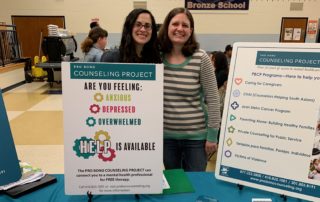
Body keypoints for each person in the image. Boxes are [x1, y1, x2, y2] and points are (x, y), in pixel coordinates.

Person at [158, 7, 221, 171]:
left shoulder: (201, 58)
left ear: (191, 30)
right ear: (167, 27)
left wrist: (213, 136)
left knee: (196, 186)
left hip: (196, 139)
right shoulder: (156, 58)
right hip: (166, 138)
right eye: (175, 24)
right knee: (176, 184)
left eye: (185, 25)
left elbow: (214, 99)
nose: (180, 29)